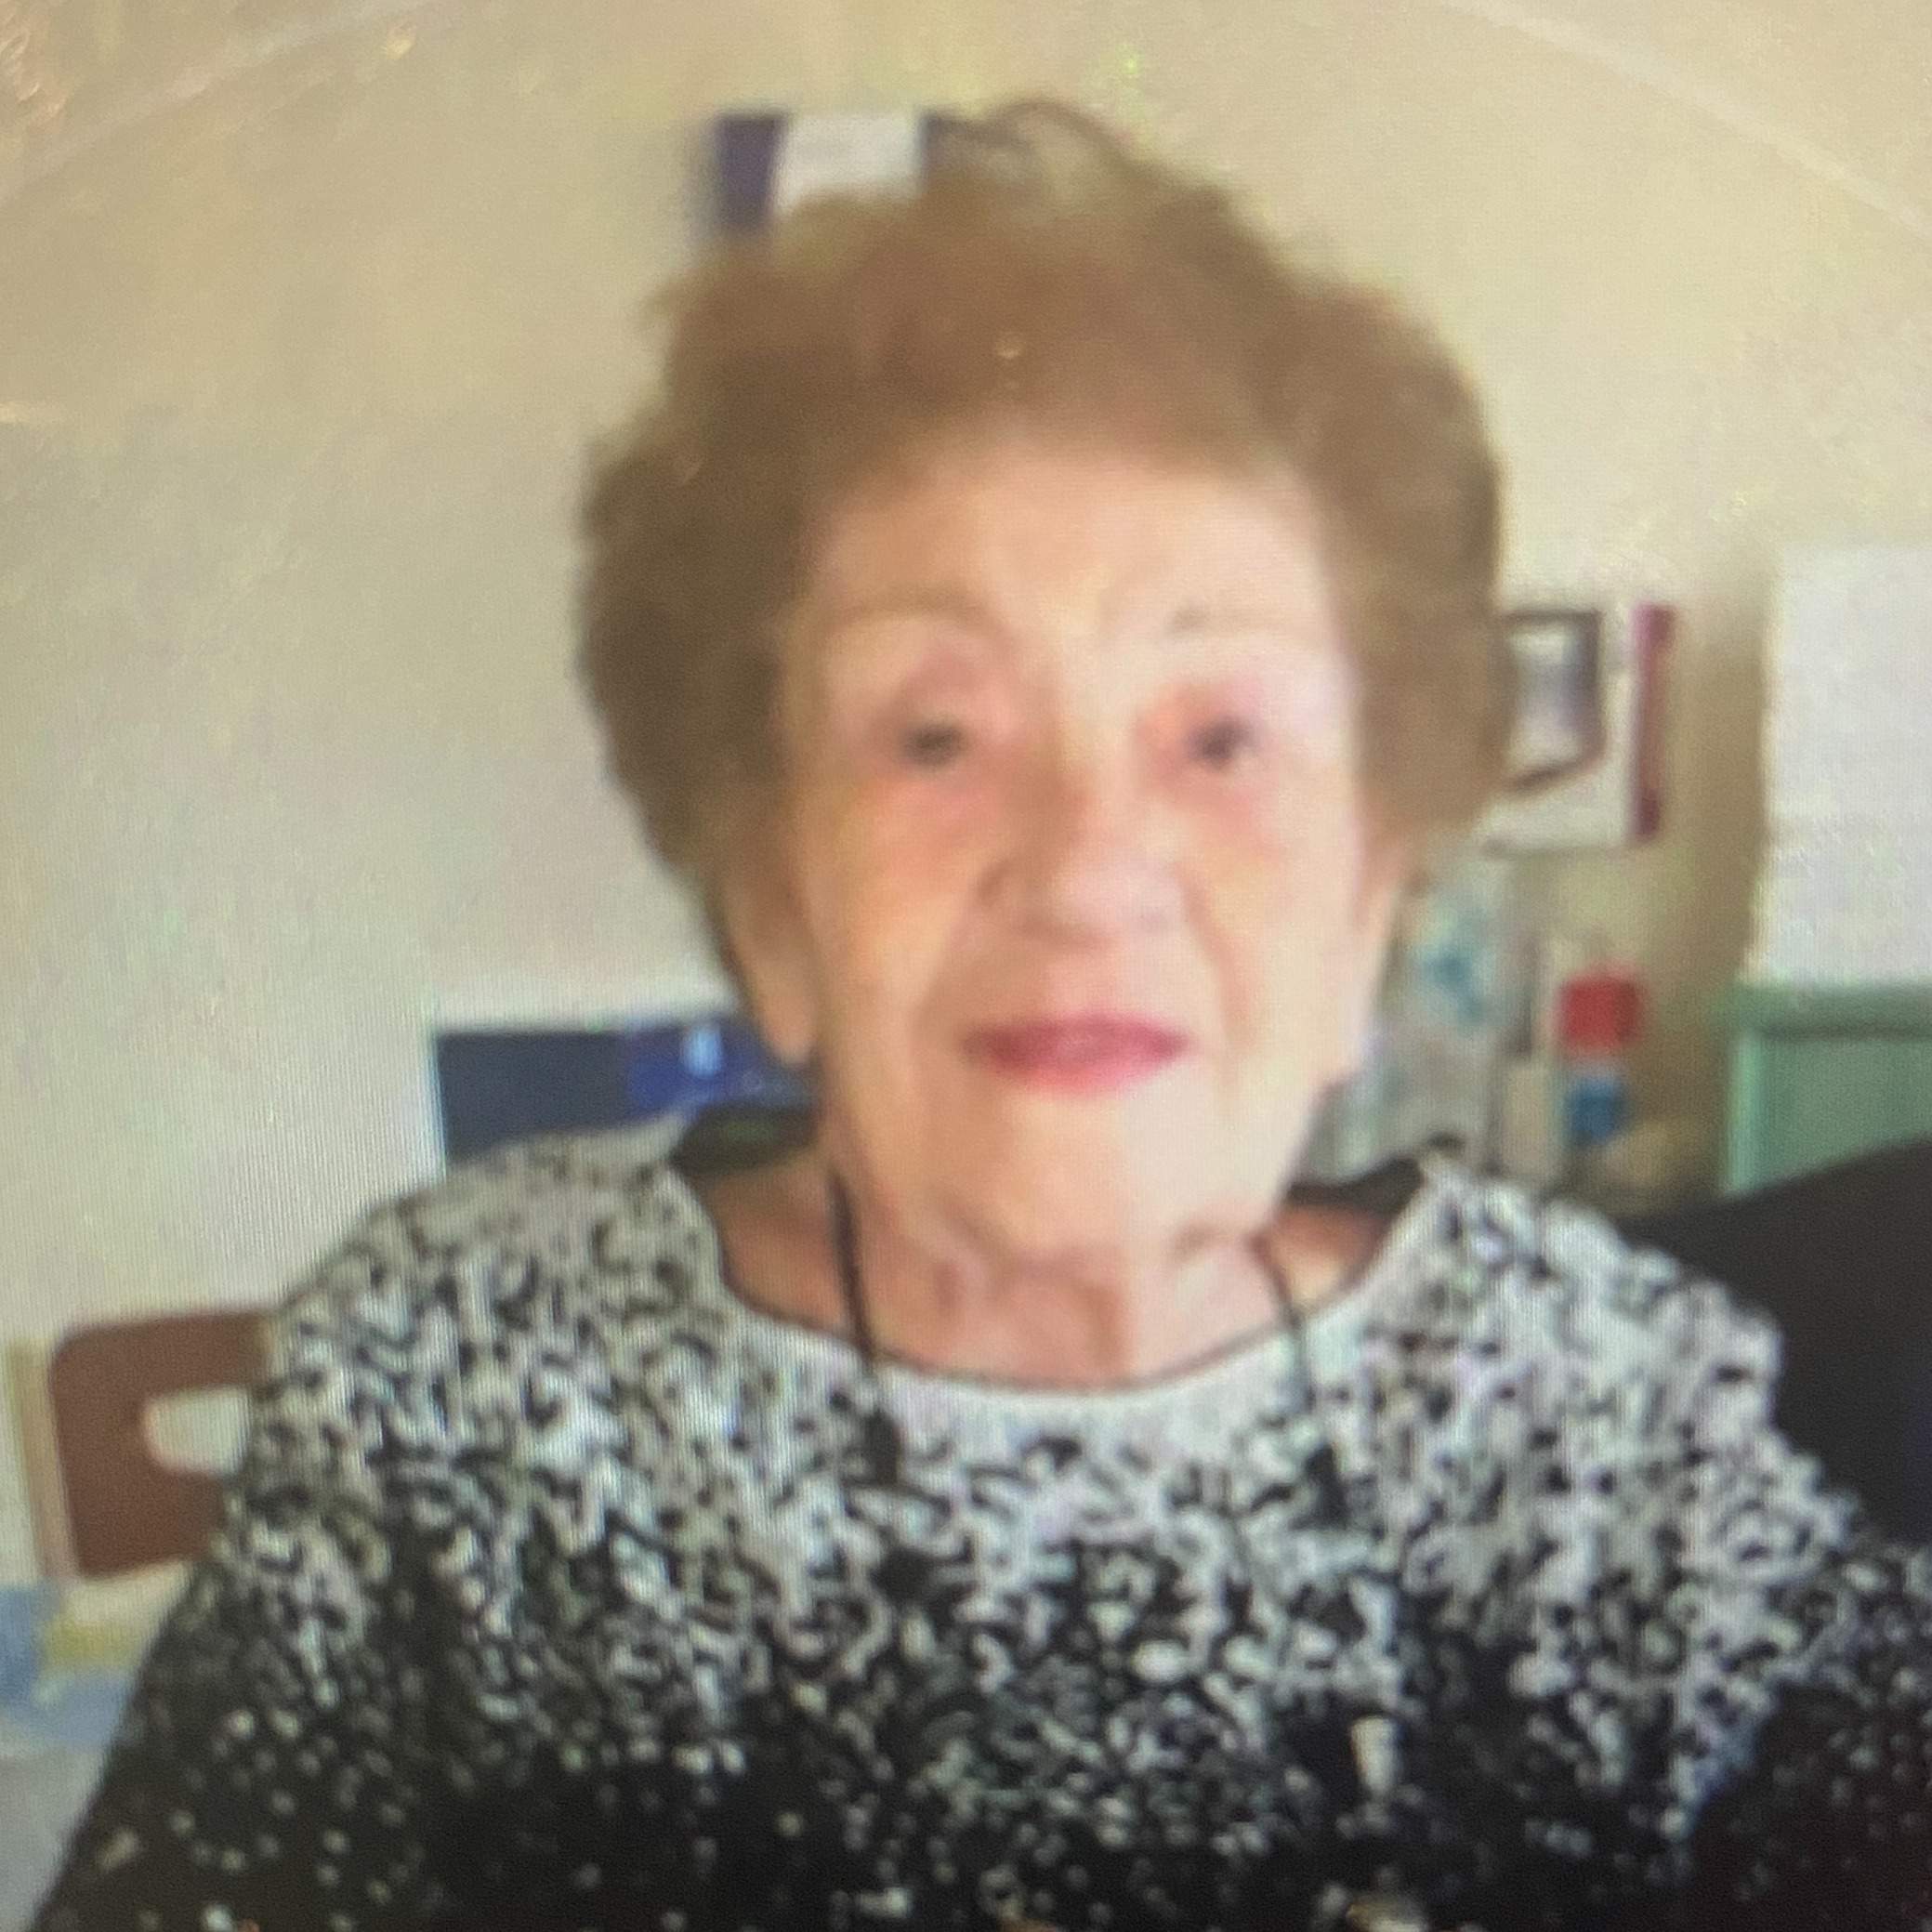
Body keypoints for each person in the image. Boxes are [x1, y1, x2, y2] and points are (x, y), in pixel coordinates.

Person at [33, 101, 1931, 1932]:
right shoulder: (468, 1381)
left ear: (1365, 900)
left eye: (1220, 738)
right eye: (936, 736)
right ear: (767, 893)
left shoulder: (1597, 1420)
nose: (1088, 865)